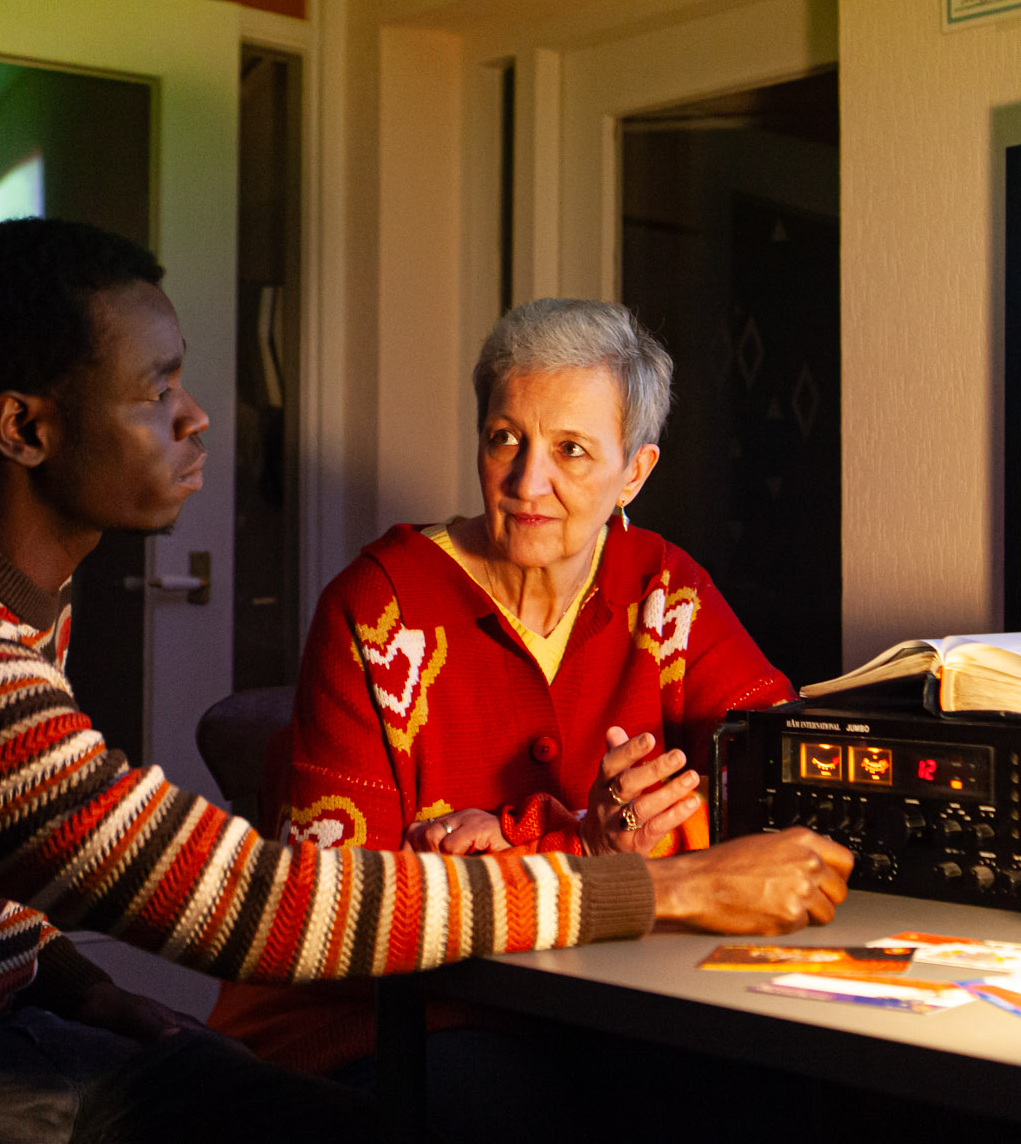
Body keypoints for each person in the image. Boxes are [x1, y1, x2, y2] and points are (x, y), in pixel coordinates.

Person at [0, 220, 850, 1144]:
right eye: (158, 390)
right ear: (27, 427)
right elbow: (251, 907)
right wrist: (664, 881)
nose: (195, 420)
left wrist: (78, 984)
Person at [210, 299, 795, 1074]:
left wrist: (592, 840)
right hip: (385, 1027)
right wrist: (582, 844)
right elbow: (341, 908)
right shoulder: (378, 606)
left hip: (594, 1009)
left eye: (573, 450)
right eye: (505, 439)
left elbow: (788, 783)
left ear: (635, 472)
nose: (528, 480)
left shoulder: (665, 589)